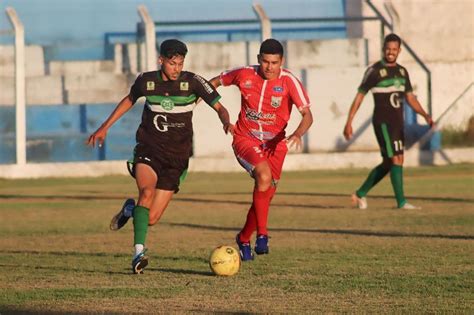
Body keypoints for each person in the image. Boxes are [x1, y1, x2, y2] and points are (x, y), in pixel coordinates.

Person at [87, 39, 232, 274]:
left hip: (177, 160)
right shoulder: (147, 81)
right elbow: (129, 99)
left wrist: (226, 121)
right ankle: (138, 255)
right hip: (149, 150)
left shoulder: (193, 82)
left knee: (151, 218)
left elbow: (219, 107)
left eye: (180, 63)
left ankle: (129, 211)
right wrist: (105, 126)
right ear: (161, 60)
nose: (177, 68)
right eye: (172, 63)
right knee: (146, 192)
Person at [210, 38, 313, 261]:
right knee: (263, 177)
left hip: (276, 146)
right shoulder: (244, 74)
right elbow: (213, 83)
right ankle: (263, 236)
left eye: (274, 62)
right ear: (259, 59)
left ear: (281, 62)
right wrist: (208, 106)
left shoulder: (289, 81)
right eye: (265, 62)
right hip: (245, 138)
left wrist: (297, 134)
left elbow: (308, 115)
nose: (269, 67)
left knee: (265, 196)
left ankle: (244, 238)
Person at [343, 33, 433, 210]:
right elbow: (359, 96)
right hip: (383, 122)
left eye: (394, 49)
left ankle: (360, 194)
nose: (391, 52)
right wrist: (349, 121)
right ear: (383, 49)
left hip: (398, 123)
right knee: (396, 159)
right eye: (388, 49)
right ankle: (401, 202)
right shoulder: (374, 71)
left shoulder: (402, 71)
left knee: (389, 162)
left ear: (399, 51)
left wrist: (425, 115)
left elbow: (410, 98)